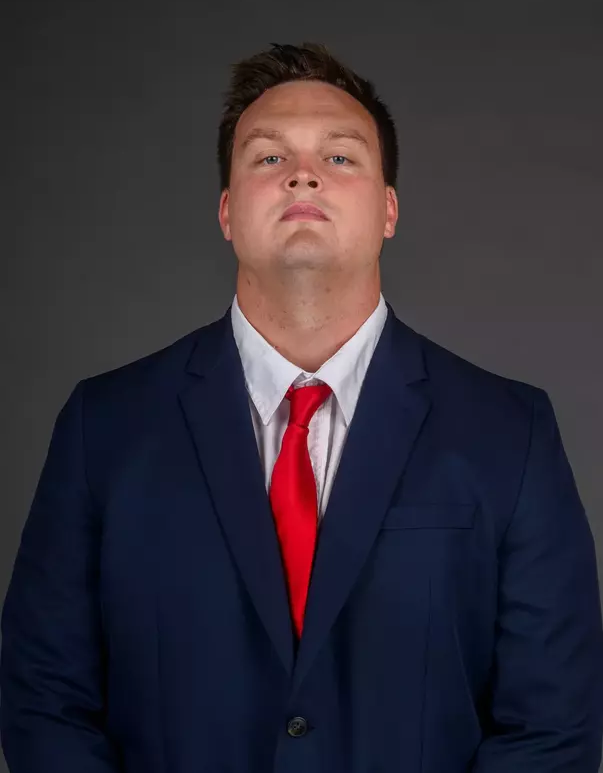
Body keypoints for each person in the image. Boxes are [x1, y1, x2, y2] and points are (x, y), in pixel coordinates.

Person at [1, 41, 602, 773]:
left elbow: (551, 725)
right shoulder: (105, 427)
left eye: (340, 156)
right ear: (226, 211)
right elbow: (42, 697)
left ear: (388, 210)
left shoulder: (511, 434)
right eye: (267, 158)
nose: (303, 173)